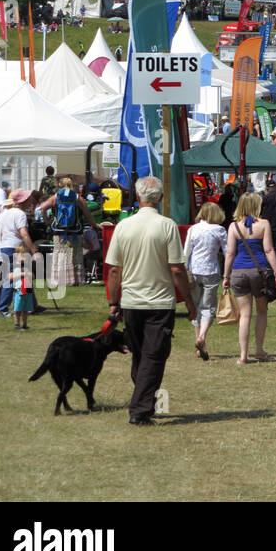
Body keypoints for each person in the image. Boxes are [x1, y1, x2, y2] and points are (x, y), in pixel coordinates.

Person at [105, 176, 197, 426]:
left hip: (132, 302)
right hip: (159, 303)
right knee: (154, 357)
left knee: (142, 356)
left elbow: (114, 269)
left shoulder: (123, 226)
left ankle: (145, 402)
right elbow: (177, 269)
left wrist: (113, 303)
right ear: (161, 198)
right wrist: (189, 302)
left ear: (137, 197)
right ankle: (140, 410)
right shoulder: (167, 226)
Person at [222, 192, 276, 365]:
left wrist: (226, 276)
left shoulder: (233, 226)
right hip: (259, 271)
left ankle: (243, 355)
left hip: (239, 272)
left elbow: (230, 253)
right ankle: (259, 350)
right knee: (261, 311)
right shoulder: (264, 224)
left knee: (245, 315)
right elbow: (269, 250)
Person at [184, 202, 227, 361]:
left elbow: (186, 252)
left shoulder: (193, 229)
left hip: (194, 270)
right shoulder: (219, 230)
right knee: (208, 307)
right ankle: (202, 337)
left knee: (196, 307)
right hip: (211, 271)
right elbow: (227, 251)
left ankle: (200, 341)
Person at [38, 178, 100, 287]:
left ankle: (59, 280)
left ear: (61, 186)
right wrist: (94, 225)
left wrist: (47, 221)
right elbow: (88, 214)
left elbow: (42, 208)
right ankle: (75, 280)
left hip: (59, 231)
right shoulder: (77, 198)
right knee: (75, 256)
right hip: (75, 231)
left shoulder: (56, 197)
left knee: (60, 255)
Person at [0, 190, 39, 318]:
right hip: (15, 248)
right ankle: (2, 309)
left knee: (22, 276)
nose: (30, 201)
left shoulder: (6, 212)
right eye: (28, 199)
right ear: (23, 201)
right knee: (13, 278)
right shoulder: (20, 214)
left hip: (5, 246)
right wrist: (33, 249)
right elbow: (23, 233)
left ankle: (33, 305)